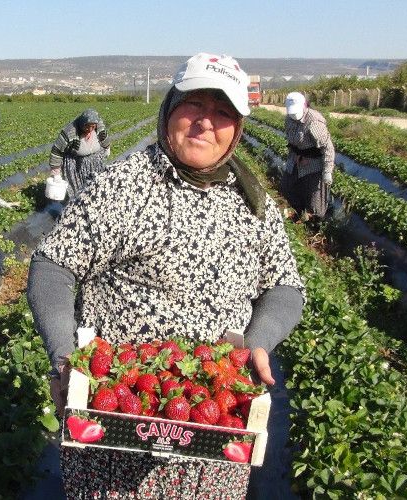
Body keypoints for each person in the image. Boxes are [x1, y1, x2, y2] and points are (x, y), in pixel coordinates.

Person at [27, 53, 305, 498]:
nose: (205, 123)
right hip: (114, 428)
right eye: (194, 104)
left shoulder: (254, 205)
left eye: (223, 112)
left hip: (211, 433)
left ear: (238, 128)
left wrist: (259, 341)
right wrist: (64, 357)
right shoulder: (121, 186)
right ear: (169, 109)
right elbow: (53, 265)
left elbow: (285, 286)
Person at [281, 91, 335, 223]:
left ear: (305, 105)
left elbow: (328, 148)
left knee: (315, 203)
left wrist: (327, 172)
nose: (294, 115)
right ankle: (299, 215)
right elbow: (293, 142)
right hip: (295, 161)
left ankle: (316, 223)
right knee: (288, 188)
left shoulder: (314, 121)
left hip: (313, 165)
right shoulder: (289, 119)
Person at [48, 108, 111, 197]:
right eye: (87, 126)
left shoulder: (98, 125)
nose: (90, 129)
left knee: (96, 185)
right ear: (82, 123)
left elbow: (103, 136)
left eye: (93, 126)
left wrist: (107, 147)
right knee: (79, 189)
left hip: (95, 160)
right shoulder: (70, 132)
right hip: (76, 164)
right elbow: (57, 151)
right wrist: (56, 172)